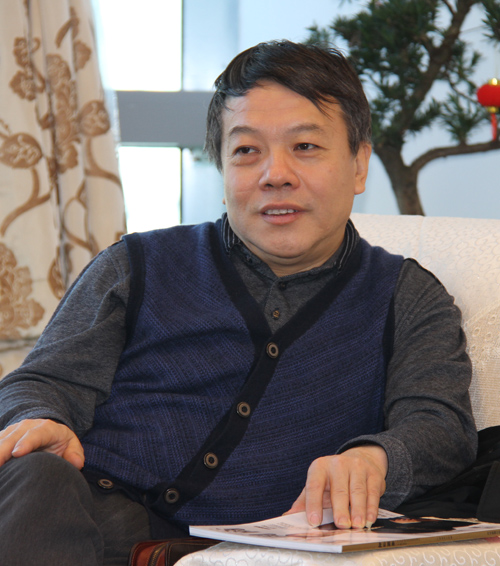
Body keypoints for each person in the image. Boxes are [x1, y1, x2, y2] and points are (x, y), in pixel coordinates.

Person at [0, 40, 477, 566]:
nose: (276, 174)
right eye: (247, 151)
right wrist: (39, 418)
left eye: (305, 146)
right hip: (80, 516)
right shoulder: (137, 263)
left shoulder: (406, 296)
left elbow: (440, 425)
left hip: (247, 547)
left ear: (358, 164)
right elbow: (43, 381)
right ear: (223, 171)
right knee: (34, 470)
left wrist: (375, 456)